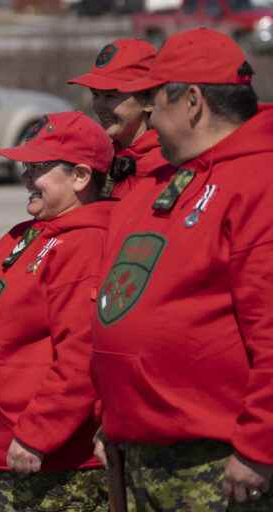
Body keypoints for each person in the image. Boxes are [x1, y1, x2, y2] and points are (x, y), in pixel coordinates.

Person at [92, 27, 273, 510]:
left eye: (155, 98)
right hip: (149, 449)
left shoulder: (257, 181)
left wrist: (259, 444)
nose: (147, 113)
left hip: (217, 460)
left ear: (192, 100)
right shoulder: (184, 175)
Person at [0, 112, 113, 511]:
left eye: (38, 168)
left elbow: (80, 356)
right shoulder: (21, 236)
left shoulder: (86, 246)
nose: (24, 177)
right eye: (25, 165)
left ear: (81, 177)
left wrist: (39, 433)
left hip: (44, 464)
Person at [68, 38, 170, 199]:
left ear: (149, 101)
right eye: (95, 94)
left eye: (110, 95)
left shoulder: (165, 167)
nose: (99, 106)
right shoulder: (104, 159)